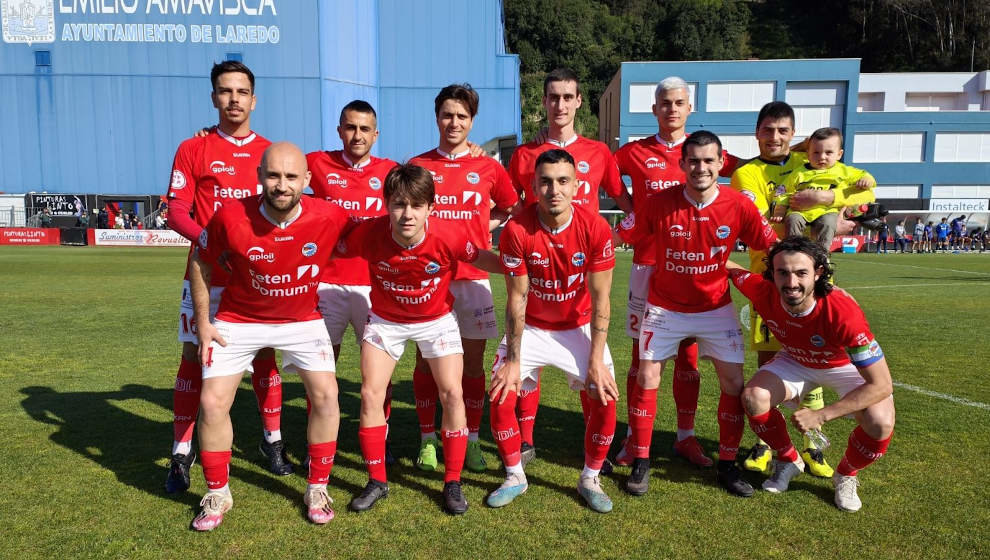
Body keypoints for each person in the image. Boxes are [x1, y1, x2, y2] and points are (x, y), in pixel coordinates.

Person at [188, 142, 352, 530]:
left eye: (291, 177)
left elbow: (380, 235)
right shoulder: (230, 216)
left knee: (327, 395)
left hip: (302, 319)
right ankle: (217, 492)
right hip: (238, 318)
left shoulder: (330, 215)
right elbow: (200, 258)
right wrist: (204, 322)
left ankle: (317, 485)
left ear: (307, 180)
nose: (282, 185)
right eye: (274, 175)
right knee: (211, 402)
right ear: (260, 176)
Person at [615, 131, 777, 498]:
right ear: (682, 164)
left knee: (734, 384)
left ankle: (727, 464)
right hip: (664, 307)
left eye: (708, 161)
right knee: (646, 376)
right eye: (694, 161)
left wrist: (805, 273)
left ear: (721, 164)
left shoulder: (738, 205)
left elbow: (771, 245)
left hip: (715, 308)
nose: (701, 167)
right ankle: (641, 461)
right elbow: (618, 236)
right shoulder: (659, 203)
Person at [336, 163, 503, 515]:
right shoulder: (368, 233)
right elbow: (331, 246)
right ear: (386, 204)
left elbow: (482, 257)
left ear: (431, 207)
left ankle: (452, 481)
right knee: (369, 393)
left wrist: (521, 265)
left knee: (453, 392)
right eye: (399, 204)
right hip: (386, 320)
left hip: (436, 320)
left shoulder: (449, 235)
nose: (407, 214)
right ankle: (377, 480)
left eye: (416, 205)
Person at [162, 61, 288, 495]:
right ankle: (181, 452)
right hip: (205, 276)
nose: (233, 99)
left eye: (241, 92)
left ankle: (273, 442)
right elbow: (176, 210)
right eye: (225, 91)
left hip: (255, 277)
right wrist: (210, 242)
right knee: (193, 360)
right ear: (214, 97)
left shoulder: (273, 153)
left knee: (265, 360)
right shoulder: (192, 148)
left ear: (254, 99)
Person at [731, 101, 868, 477]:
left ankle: (813, 444)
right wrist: (823, 213)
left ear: (795, 136)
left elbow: (862, 200)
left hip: (815, 286)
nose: (774, 137)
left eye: (782, 131)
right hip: (768, 279)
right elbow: (759, 220)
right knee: (769, 361)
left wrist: (827, 199)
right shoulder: (747, 173)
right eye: (767, 130)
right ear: (756, 133)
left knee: (819, 360)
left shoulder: (813, 162)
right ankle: (766, 443)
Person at [611, 76, 740, 469]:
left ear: (689, 108)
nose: (671, 109)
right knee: (641, 359)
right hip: (647, 266)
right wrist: (628, 207)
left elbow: (757, 172)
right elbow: (599, 173)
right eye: (664, 103)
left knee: (689, 359)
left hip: (694, 270)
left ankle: (685, 437)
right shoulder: (633, 153)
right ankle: (635, 438)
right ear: (654, 109)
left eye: (679, 102)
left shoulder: (707, 153)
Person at [505, 68, 631, 463]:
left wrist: (618, 238)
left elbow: (626, 204)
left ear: (579, 102)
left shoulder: (598, 152)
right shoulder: (525, 154)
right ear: (543, 102)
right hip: (538, 266)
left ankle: (595, 447)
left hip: (582, 273)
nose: (560, 105)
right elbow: (509, 205)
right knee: (529, 360)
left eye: (567, 97)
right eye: (553, 97)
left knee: (587, 369)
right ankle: (525, 441)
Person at [486, 149, 618, 512]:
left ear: (576, 186)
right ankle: (515, 475)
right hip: (534, 328)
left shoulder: (595, 227)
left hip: (578, 326)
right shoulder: (516, 229)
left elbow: (602, 299)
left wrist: (595, 361)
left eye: (562, 181)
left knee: (604, 396)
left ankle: (590, 477)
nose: (553, 190)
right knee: (500, 392)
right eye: (545, 182)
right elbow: (517, 299)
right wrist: (512, 361)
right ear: (533, 186)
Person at [728, 236, 895, 512]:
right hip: (795, 359)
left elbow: (881, 385)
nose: (791, 283)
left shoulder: (843, 313)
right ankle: (789, 459)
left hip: (842, 366)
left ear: (818, 273)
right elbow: (730, 268)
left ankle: (846, 474)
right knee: (753, 397)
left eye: (801, 273)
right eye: (782, 272)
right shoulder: (762, 290)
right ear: (772, 273)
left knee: (879, 422)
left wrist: (821, 415)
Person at [407, 84, 520, 474]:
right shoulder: (418, 165)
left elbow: (511, 208)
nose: (453, 123)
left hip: (473, 278)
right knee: (426, 361)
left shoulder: (488, 167)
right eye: (447, 115)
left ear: (472, 121)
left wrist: (480, 226)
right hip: (429, 278)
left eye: (462, 116)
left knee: (473, 363)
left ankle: (471, 438)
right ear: (436, 116)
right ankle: (426, 440)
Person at [307, 100, 398, 461]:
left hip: (374, 285)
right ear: (339, 129)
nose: (356, 135)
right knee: (320, 369)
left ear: (375, 134)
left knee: (378, 373)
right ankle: (319, 441)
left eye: (364, 129)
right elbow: (270, 170)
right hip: (326, 284)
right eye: (350, 127)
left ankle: (381, 439)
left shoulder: (390, 170)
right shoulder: (315, 163)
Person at [771, 127, 875, 252]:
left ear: (839, 154)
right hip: (799, 211)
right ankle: (794, 251)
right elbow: (783, 191)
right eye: (816, 152)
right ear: (808, 154)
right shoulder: (799, 173)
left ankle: (822, 253)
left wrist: (867, 180)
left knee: (829, 222)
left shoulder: (844, 171)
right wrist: (780, 210)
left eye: (828, 152)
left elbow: (865, 176)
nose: (822, 157)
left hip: (826, 210)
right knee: (792, 220)